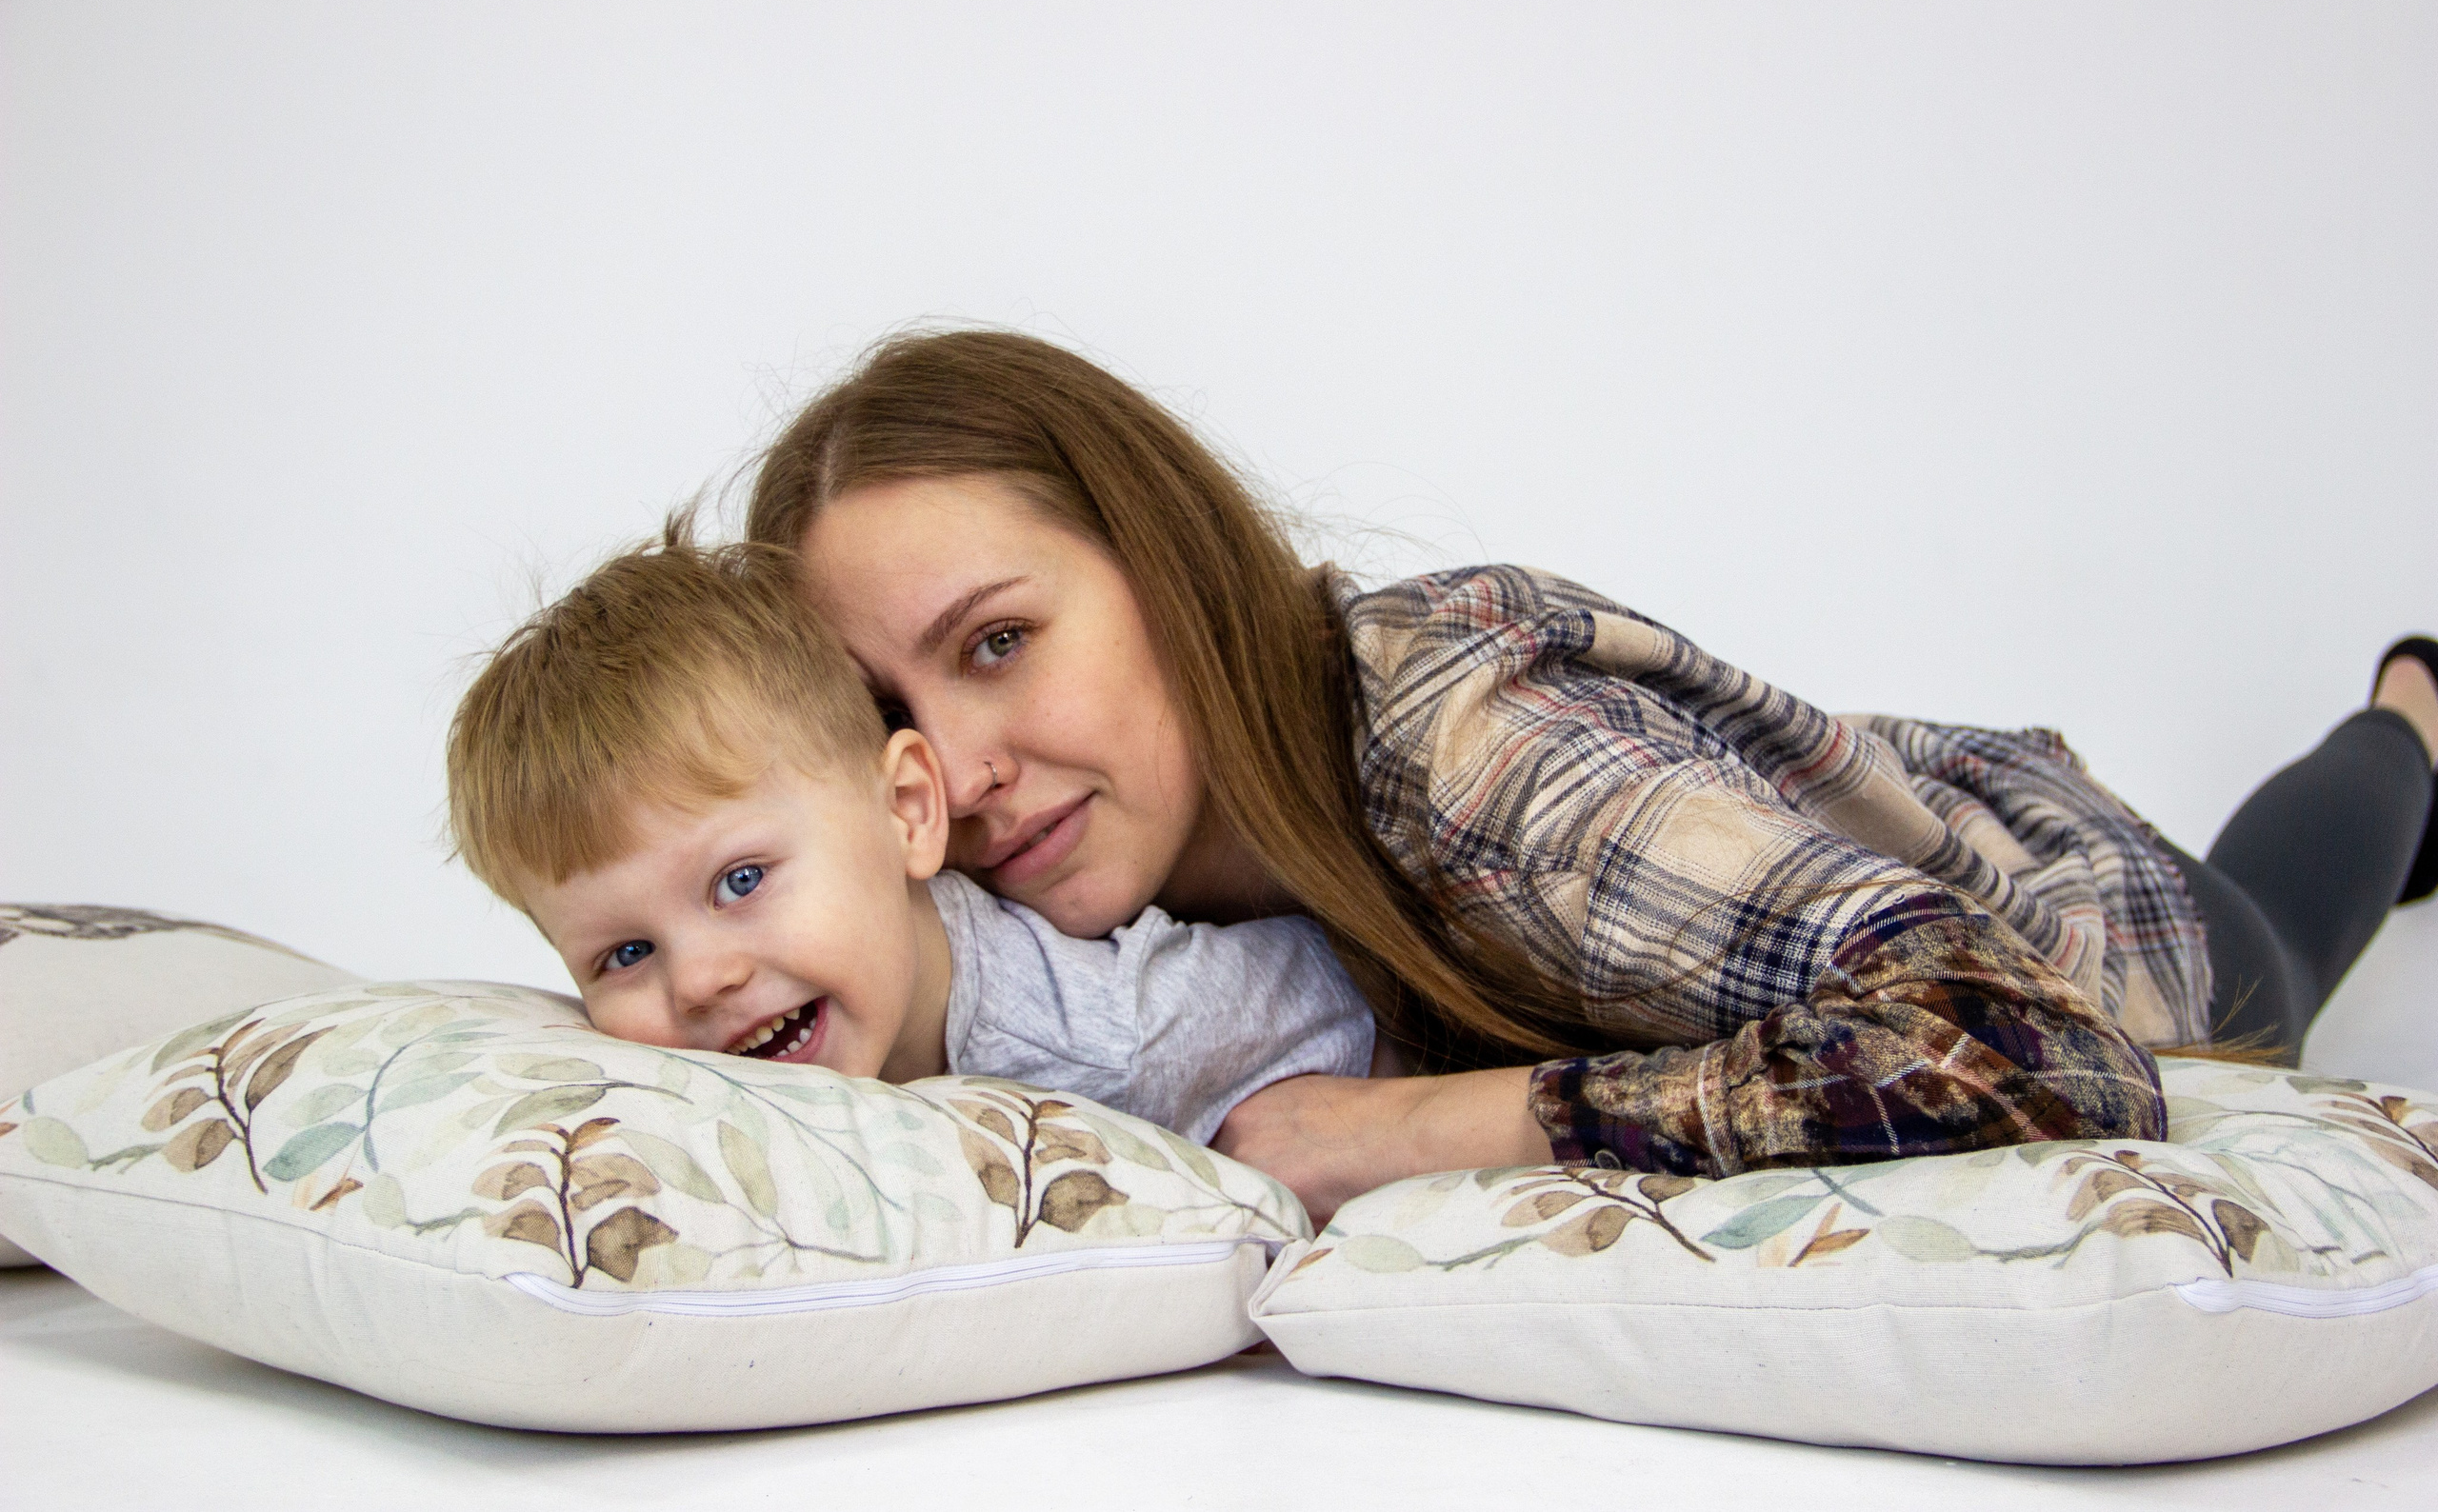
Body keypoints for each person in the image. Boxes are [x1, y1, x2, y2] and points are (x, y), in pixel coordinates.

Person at [746, 328, 2438, 1223]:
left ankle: (2412, 714)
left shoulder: (1459, 751)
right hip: (1799, 841)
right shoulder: (976, 867)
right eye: (889, 710)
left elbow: (2022, 1047)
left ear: (1164, 563)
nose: (956, 773)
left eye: (996, 641)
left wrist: (1416, 1127)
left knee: (2293, 929)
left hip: (2081, 908)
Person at [443, 525, 1375, 1145]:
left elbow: (1367, 1018)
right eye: (625, 952)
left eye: (739, 882)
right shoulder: (723, 1083)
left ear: (907, 811)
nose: (697, 981)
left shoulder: (1103, 1030)